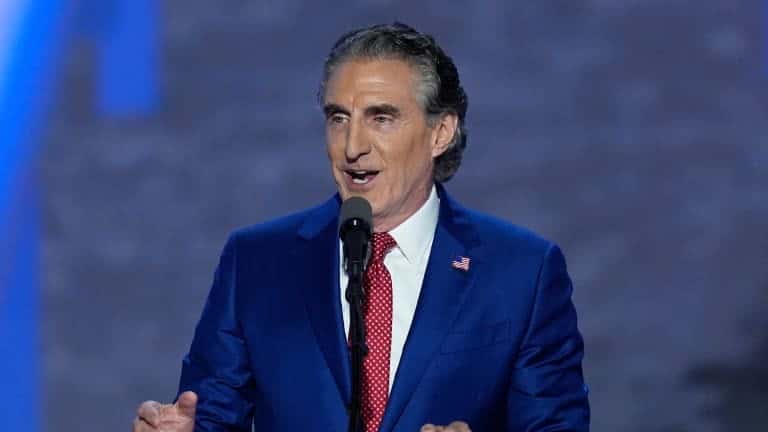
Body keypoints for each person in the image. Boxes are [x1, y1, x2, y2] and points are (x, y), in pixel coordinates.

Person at [132, 22, 590, 432]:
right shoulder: (258, 262)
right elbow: (212, 416)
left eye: (381, 118)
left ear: (440, 133)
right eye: (338, 118)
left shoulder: (520, 273)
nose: (352, 146)